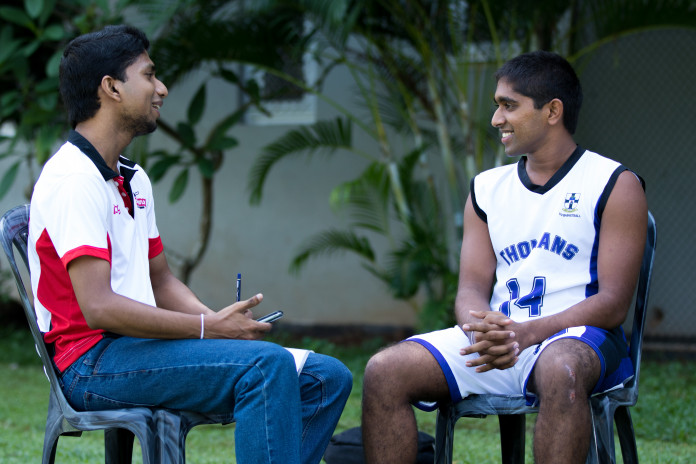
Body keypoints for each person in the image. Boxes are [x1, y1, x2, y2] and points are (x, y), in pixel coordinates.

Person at [28, 25, 352, 464]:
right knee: (265, 366)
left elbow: (160, 279)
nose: (161, 88)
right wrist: (208, 330)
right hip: (91, 362)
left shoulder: (131, 177)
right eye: (149, 75)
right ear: (111, 88)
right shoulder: (73, 179)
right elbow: (98, 307)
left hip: (136, 348)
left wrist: (218, 320)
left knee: (326, 376)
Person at [361, 50, 648, 464]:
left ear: (552, 111)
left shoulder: (613, 182)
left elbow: (613, 304)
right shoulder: (486, 188)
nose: (496, 119)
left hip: (579, 341)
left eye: (508, 106)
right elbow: (471, 288)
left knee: (560, 368)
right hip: (500, 341)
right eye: (498, 106)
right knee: (384, 370)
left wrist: (529, 333)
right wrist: (481, 329)